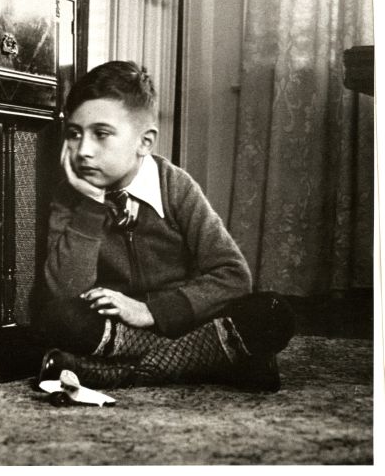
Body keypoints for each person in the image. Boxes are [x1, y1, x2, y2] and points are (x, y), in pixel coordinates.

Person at [37, 60, 295, 392]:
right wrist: (90, 205)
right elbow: (65, 291)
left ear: (144, 142)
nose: (84, 151)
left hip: (189, 321)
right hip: (118, 331)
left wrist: (151, 311)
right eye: (75, 134)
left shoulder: (175, 186)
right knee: (56, 316)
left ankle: (121, 374)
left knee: (273, 312)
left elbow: (233, 275)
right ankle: (214, 360)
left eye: (101, 134)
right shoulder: (70, 195)